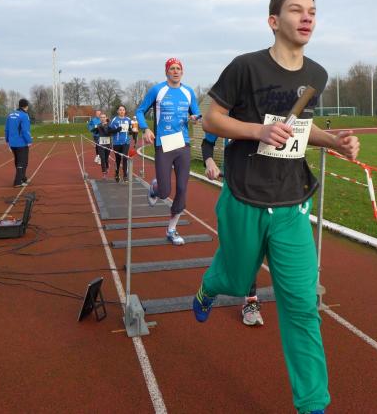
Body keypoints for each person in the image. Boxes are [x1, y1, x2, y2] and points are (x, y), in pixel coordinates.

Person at [192, 0, 359, 414]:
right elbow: (211, 118)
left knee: (302, 306)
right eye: (296, 10)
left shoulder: (316, 75)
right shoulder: (245, 68)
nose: (307, 17)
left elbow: (301, 129)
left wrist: (334, 141)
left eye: (312, 11)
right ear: (273, 20)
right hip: (244, 196)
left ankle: (312, 404)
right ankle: (210, 286)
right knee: (236, 281)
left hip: (291, 201)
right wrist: (259, 131)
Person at [136, 58, 201, 245]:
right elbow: (140, 111)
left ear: (182, 72)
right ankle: (155, 188)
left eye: (178, 68)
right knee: (165, 193)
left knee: (182, 189)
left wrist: (196, 118)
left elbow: (196, 113)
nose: (175, 71)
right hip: (163, 144)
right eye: (172, 68)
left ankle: (171, 229)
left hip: (183, 143)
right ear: (166, 72)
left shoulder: (188, 92)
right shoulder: (158, 90)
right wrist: (145, 129)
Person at [202, 132, 264, 327]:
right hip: (237, 188)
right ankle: (248, 300)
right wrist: (209, 162)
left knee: (262, 246)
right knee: (245, 247)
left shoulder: (276, 114)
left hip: (272, 188)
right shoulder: (227, 116)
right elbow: (207, 143)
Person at [5, 98, 33, 187]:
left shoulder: (10, 115)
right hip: (21, 143)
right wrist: (29, 140)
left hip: (12, 143)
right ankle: (17, 182)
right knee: (23, 162)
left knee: (18, 161)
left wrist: (7, 141)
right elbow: (25, 130)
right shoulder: (24, 115)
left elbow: (7, 129)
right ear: (26, 106)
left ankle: (23, 178)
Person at [110, 105, 132, 182]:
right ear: (117, 111)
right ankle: (116, 173)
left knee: (125, 157)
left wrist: (131, 130)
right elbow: (110, 131)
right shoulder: (114, 120)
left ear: (125, 111)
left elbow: (131, 130)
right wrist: (116, 130)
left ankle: (125, 175)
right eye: (120, 110)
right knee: (118, 159)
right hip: (116, 143)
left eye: (123, 110)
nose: (122, 111)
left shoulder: (128, 120)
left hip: (126, 142)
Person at [95, 114, 113, 179]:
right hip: (100, 144)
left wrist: (104, 128)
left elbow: (109, 133)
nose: (102, 118)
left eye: (104, 117)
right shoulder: (98, 125)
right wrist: (95, 130)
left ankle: (107, 166)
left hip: (108, 144)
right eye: (101, 117)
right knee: (102, 158)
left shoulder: (109, 125)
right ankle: (104, 173)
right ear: (100, 118)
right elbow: (96, 133)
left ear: (106, 118)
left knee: (106, 158)